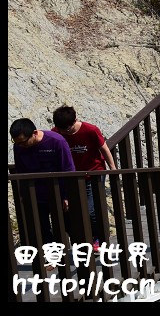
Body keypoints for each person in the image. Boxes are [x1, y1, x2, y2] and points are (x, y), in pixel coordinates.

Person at [51, 106, 115, 250]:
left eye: (66, 130)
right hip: (72, 175)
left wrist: (113, 168)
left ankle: (98, 237)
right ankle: (84, 238)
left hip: (93, 173)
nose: (63, 133)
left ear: (75, 121)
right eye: (60, 129)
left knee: (91, 209)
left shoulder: (90, 130)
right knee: (71, 209)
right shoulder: (56, 132)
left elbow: (104, 148)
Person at [10, 118, 74, 245]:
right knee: (42, 229)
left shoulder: (56, 141)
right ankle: (51, 258)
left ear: (34, 133)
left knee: (69, 226)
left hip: (59, 193)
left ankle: (83, 256)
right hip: (36, 195)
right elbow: (21, 172)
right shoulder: (18, 147)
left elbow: (69, 169)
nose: (22, 145)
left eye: (24, 142)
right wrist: (24, 194)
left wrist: (67, 195)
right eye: (17, 143)